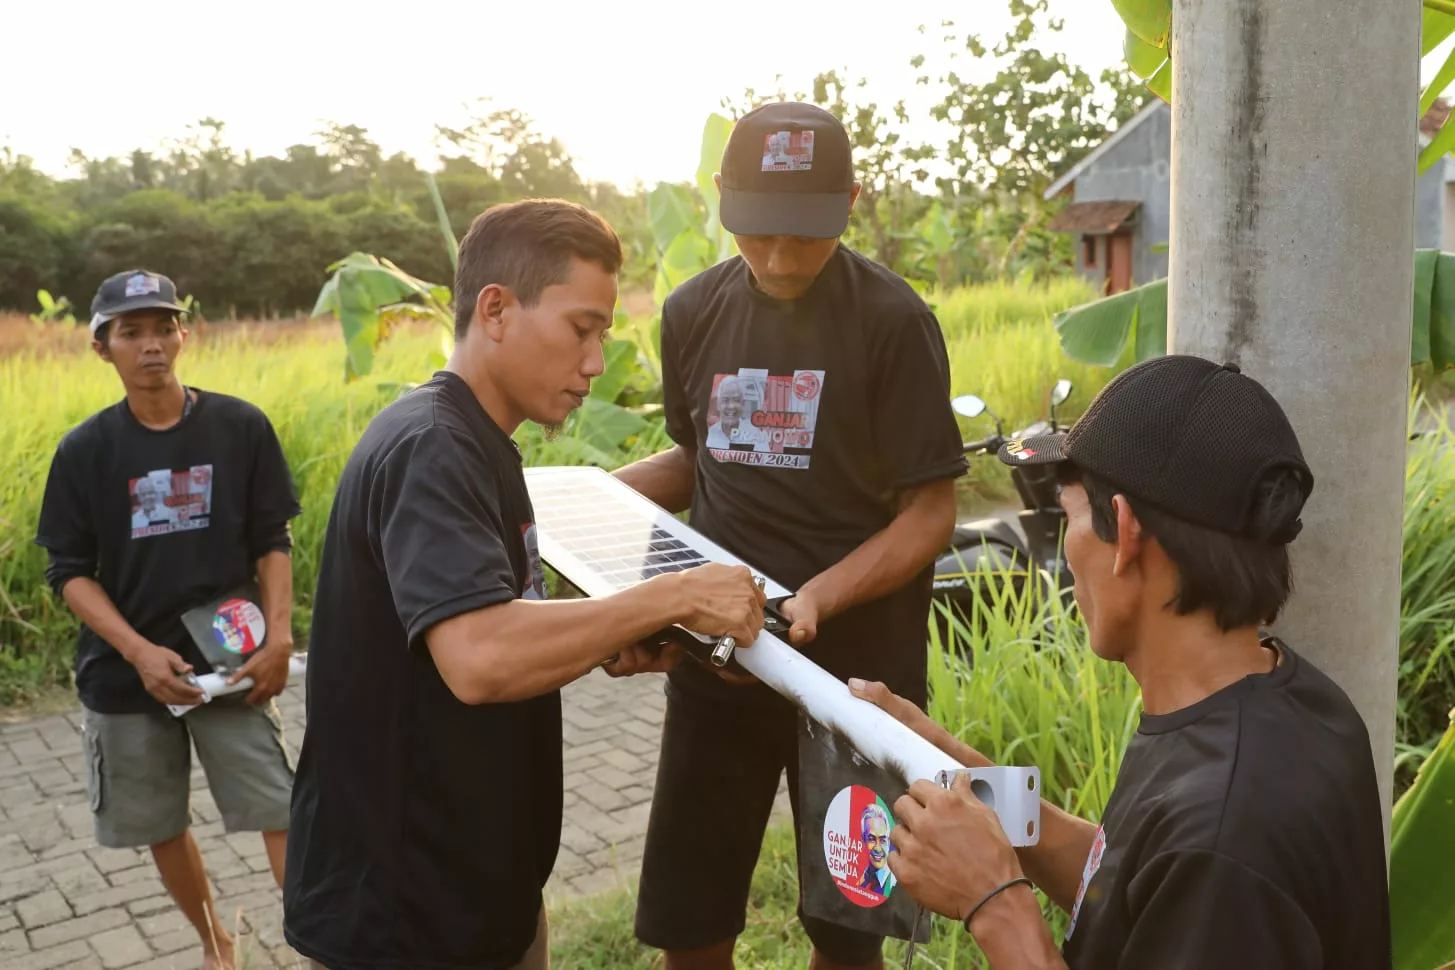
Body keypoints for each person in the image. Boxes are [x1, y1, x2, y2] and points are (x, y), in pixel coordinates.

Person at [281, 199, 767, 970]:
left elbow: (492, 623)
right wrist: (672, 595)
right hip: (405, 915)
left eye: (603, 333)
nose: (596, 361)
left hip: (476, 887)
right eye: (582, 327)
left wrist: (606, 631)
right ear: (497, 310)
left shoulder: (478, 443)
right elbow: (480, 658)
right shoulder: (433, 448)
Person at [850, 355, 1393, 969]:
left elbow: (1193, 865)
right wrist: (947, 764)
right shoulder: (1290, 701)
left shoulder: (1225, 838)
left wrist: (996, 904)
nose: (1067, 544)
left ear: (1126, 535)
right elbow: (1134, 883)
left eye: (1070, 516)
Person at [615, 102, 968, 970]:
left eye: (802, 236)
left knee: (851, 931)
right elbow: (702, 459)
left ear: (850, 201)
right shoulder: (693, 311)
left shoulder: (893, 322)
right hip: (718, 662)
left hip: (857, 684)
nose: (775, 259)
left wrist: (815, 597)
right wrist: (587, 504)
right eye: (755, 232)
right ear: (723, 199)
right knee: (690, 918)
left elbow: (929, 511)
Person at [34, 269, 303, 970]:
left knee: (277, 804)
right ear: (103, 347)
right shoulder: (85, 451)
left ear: (185, 334)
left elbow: (272, 540)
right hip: (128, 675)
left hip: (230, 655)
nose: (150, 345)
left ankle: (317, 942)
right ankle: (218, 945)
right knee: (161, 824)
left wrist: (279, 638)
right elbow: (69, 571)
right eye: (131, 332)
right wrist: (139, 652)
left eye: (163, 328)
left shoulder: (239, 427)